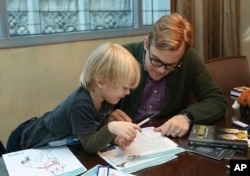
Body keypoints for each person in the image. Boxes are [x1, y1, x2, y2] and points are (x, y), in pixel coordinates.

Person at [6, 43, 142, 153]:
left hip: (54, 146)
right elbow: (89, 145)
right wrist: (111, 127)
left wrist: (114, 139)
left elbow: (94, 131)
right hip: (25, 141)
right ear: (101, 82)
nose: (128, 93)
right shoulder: (80, 104)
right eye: (124, 87)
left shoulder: (107, 99)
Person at [110, 13, 226, 139]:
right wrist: (106, 116)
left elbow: (216, 100)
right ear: (146, 43)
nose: (161, 70)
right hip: (122, 138)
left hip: (168, 138)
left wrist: (186, 117)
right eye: (156, 60)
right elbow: (88, 99)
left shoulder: (189, 58)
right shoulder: (121, 56)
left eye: (171, 65)